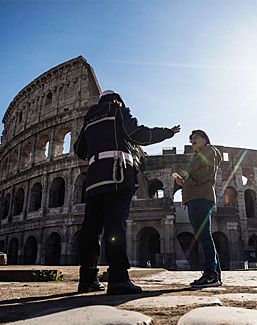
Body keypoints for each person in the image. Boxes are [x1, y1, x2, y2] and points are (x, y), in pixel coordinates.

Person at [74, 90, 180, 295]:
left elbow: (80, 149)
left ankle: (87, 278)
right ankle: (118, 278)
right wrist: (167, 132)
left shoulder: (88, 120)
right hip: (117, 173)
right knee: (115, 226)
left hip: (94, 177)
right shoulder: (118, 110)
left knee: (90, 228)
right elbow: (138, 134)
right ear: (117, 100)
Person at [173, 130, 222, 288]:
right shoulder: (198, 155)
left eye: (195, 138)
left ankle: (210, 275)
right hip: (197, 197)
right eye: (190, 139)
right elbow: (196, 175)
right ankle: (215, 275)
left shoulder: (209, 151)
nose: (192, 141)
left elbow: (206, 173)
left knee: (204, 236)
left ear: (205, 139)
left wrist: (185, 183)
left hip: (200, 197)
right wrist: (183, 181)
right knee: (205, 236)